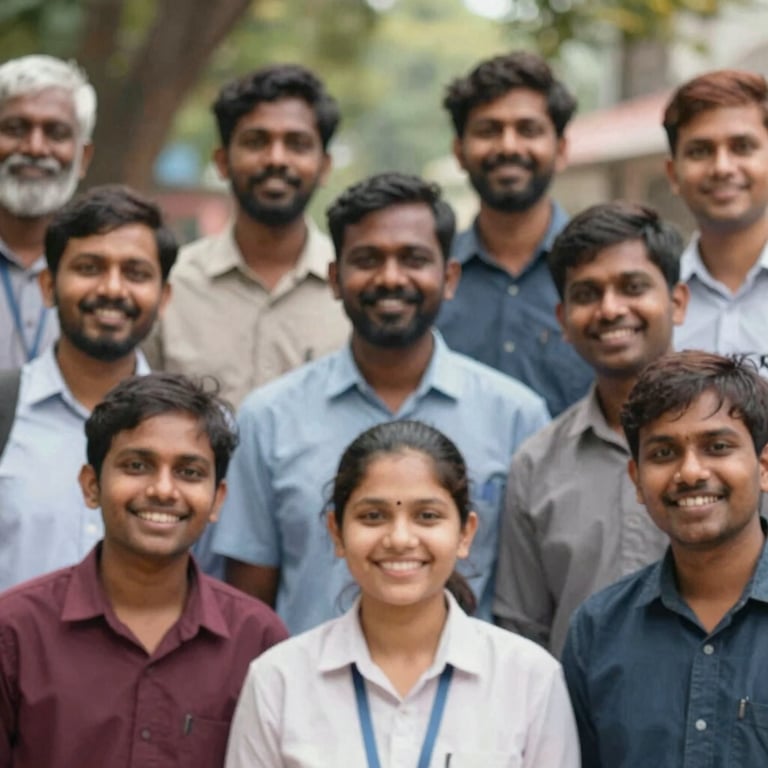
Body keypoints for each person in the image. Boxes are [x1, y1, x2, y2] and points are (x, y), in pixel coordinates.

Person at [212, 172, 550, 633]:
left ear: (450, 277)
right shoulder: (268, 418)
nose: (391, 278)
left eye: (414, 259)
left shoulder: (516, 417)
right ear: (334, 278)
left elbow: (526, 597)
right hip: (309, 696)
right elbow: (249, 604)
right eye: (368, 259)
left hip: (474, 696)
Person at [224, 420, 579, 767]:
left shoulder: (529, 678)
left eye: (426, 515)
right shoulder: (279, 680)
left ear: (466, 533)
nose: (400, 539)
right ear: (336, 532)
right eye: (373, 516)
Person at [0, 373, 288, 768]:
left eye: (189, 472)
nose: (163, 490)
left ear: (218, 499)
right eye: (137, 465)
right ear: (91, 486)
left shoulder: (257, 639)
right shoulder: (14, 631)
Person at [494, 201, 689, 657]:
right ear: (563, 321)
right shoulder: (536, 464)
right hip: (580, 725)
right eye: (587, 294)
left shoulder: (746, 437)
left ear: (677, 302)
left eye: (633, 286)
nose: (610, 309)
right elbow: (524, 635)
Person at [562, 351, 768, 767]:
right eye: (663, 453)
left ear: (764, 466)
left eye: (718, 446)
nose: (691, 472)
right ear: (637, 481)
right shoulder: (597, 631)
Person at [0, 185, 174, 591]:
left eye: (135, 273)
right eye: (89, 268)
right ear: (48, 286)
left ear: (164, 296)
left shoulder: (196, 433)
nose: (112, 289)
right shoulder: (5, 410)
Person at [144, 64, 349, 406]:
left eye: (297, 144)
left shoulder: (354, 290)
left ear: (325, 166)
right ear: (222, 161)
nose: (276, 159)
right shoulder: (170, 286)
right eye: (256, 142)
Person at [437, 51, 593, 416]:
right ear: (459, 151)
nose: (508, 146)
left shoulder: (602, 281)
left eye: (528, 129)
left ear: (562, 149)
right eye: (488, 130)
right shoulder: (430, 283)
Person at [664, 69, 768, 373]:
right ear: (673, 173)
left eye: (742, 147)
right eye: (700, 151)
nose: (722, 167)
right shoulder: (654, 306)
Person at [0, 54, 95, 368]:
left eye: (56, 133)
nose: (35, 148)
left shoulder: (107, 272)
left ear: (83, 157)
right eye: (15, 128)